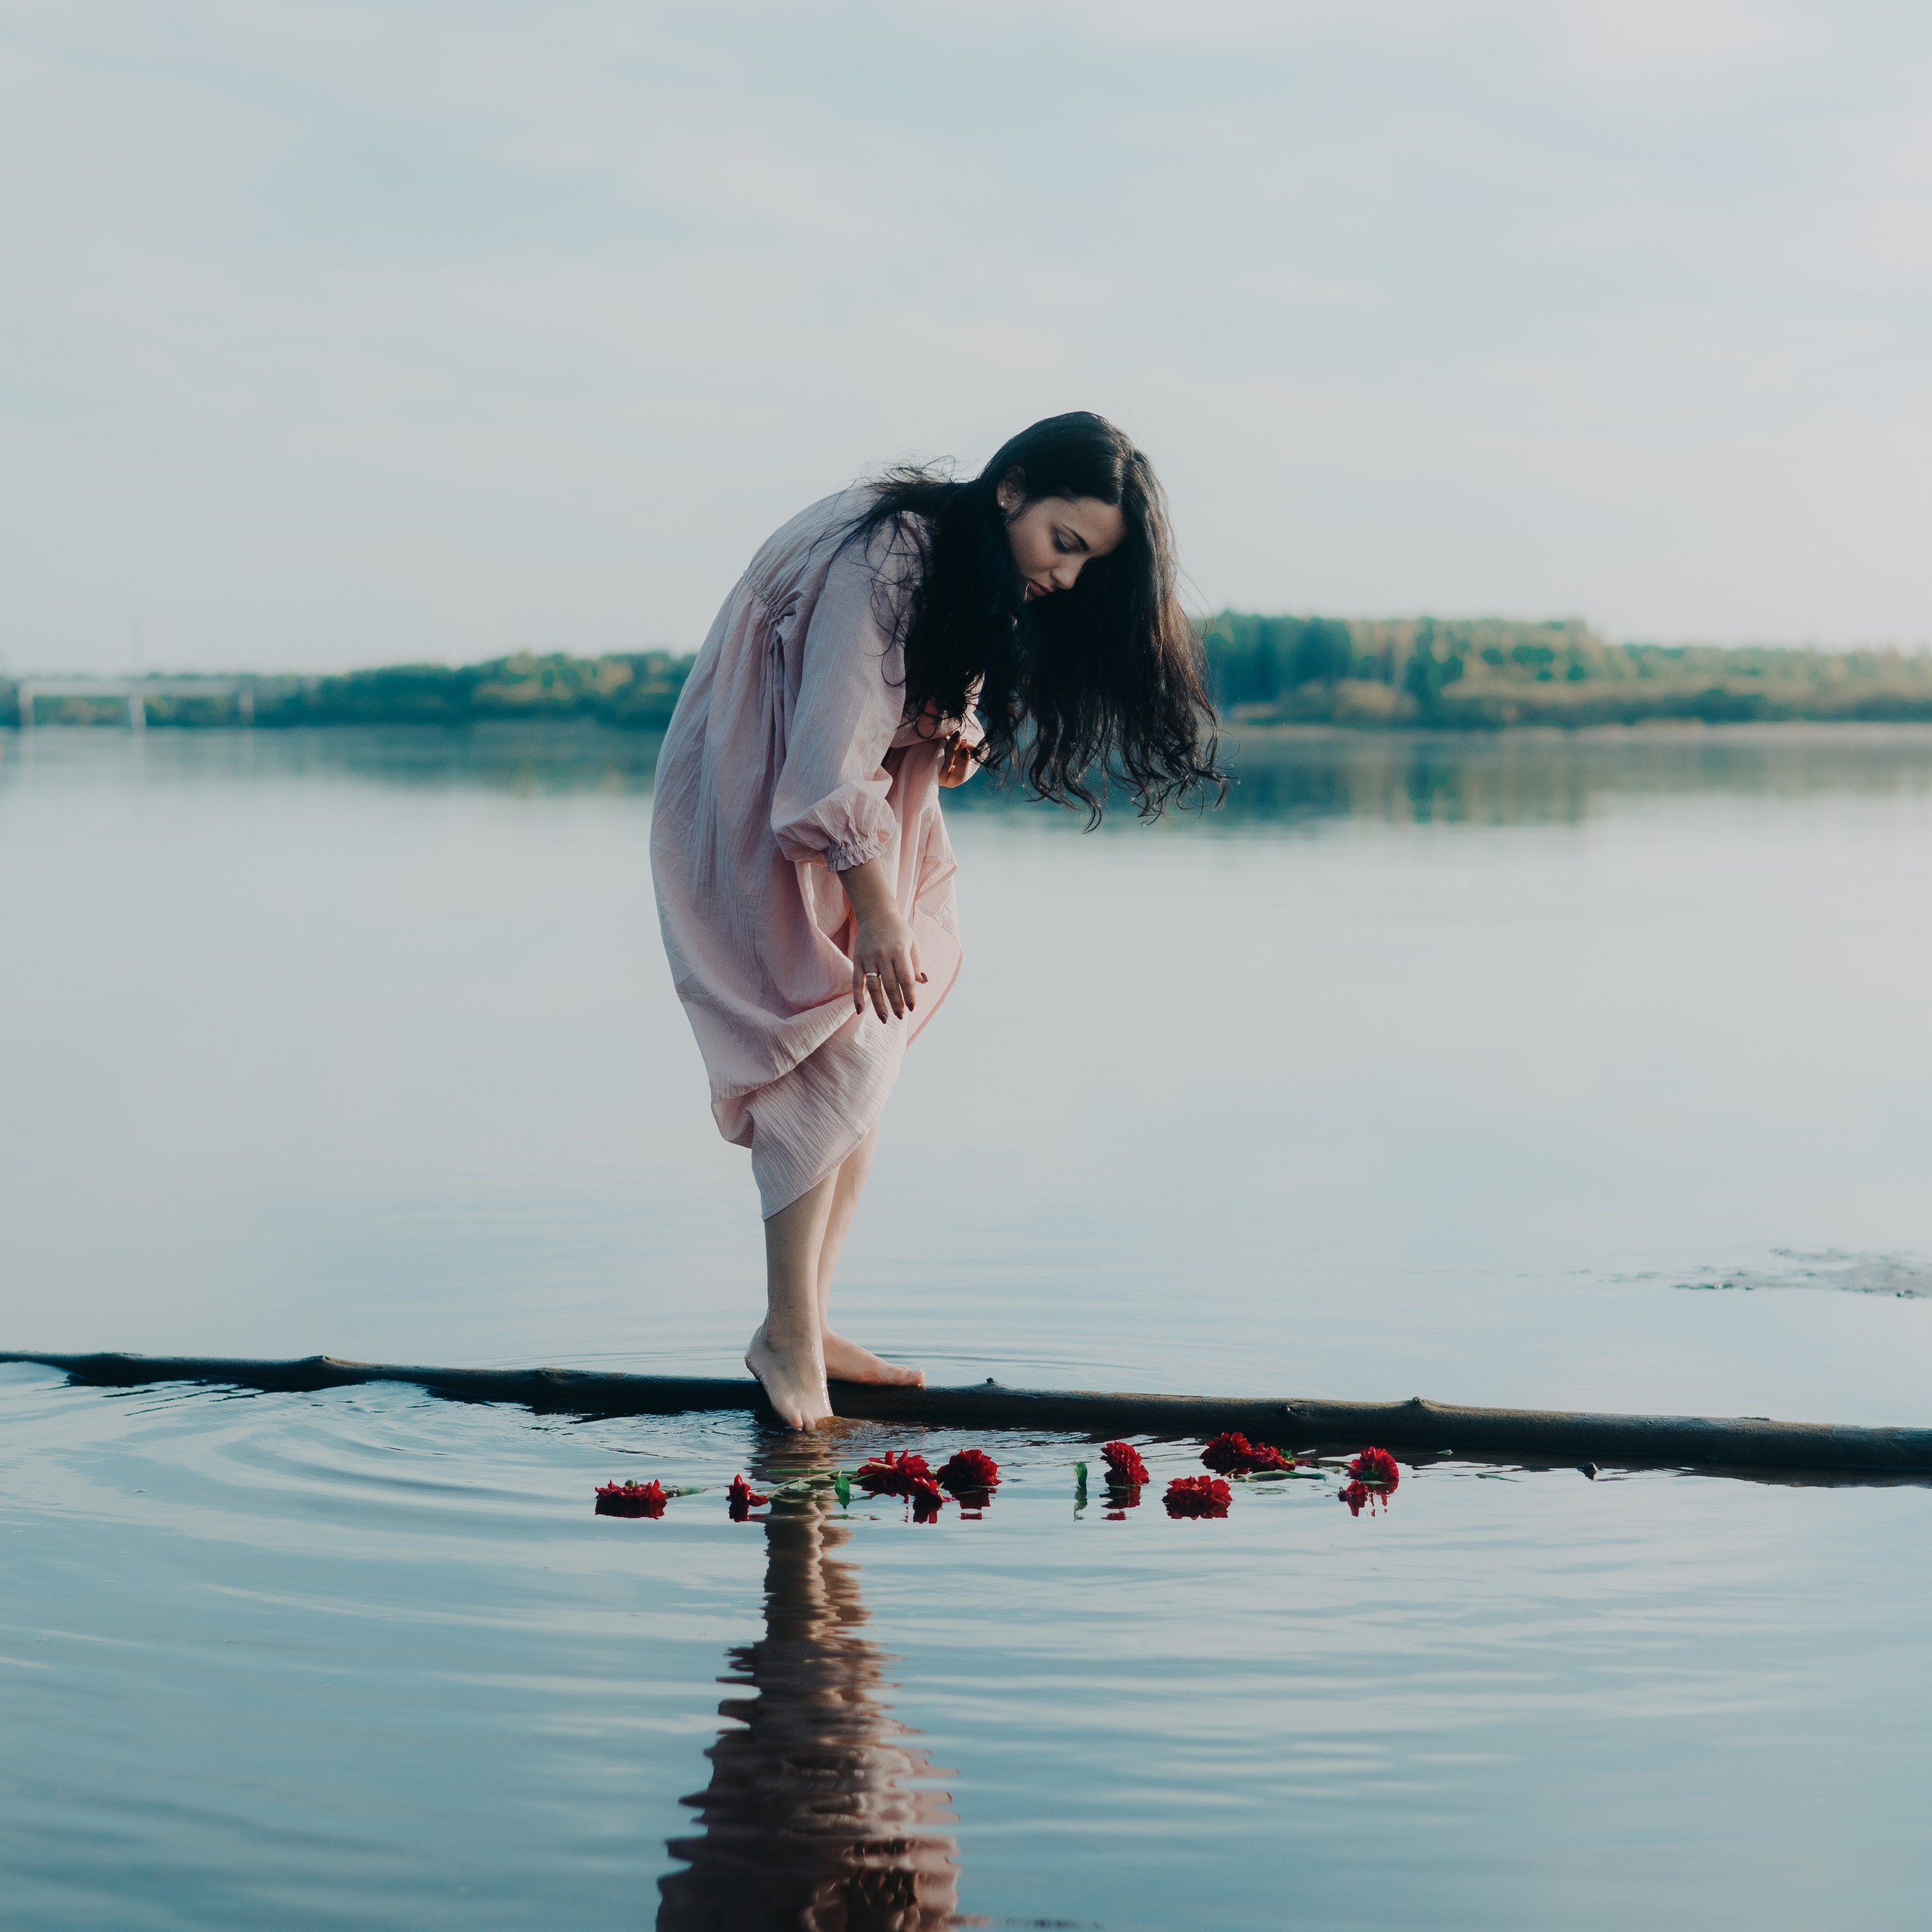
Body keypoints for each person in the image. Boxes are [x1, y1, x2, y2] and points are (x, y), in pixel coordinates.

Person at [651, 411, 1222, 1428]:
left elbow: (889, 701)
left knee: (871, 1048)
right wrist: (877, 911)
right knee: (821, 1050)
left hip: (862, 807)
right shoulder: (891, 553)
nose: (1067, 577)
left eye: (1088, 564)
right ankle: (787, 1333)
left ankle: (809, 1319)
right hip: (764, 793)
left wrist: (950, 728)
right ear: (1011, 490)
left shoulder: (960, 564)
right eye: (1064, 543)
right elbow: (825, 756)